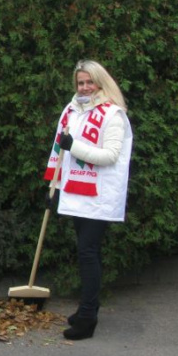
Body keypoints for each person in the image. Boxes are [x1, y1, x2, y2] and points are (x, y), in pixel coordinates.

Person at [45, 59, 133, 340]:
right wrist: (54, 188)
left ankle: (87, 317)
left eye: (89, 82)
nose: (84, 87)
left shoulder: (113, 115)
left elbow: (110, 156)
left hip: (100, 196)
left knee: (88, 252)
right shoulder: (71, 110)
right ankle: (87, 308)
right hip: (76, 193)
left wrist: (76, 148)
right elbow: (59, 152)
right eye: (80, 82)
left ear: (100, 83)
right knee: (86, 253)